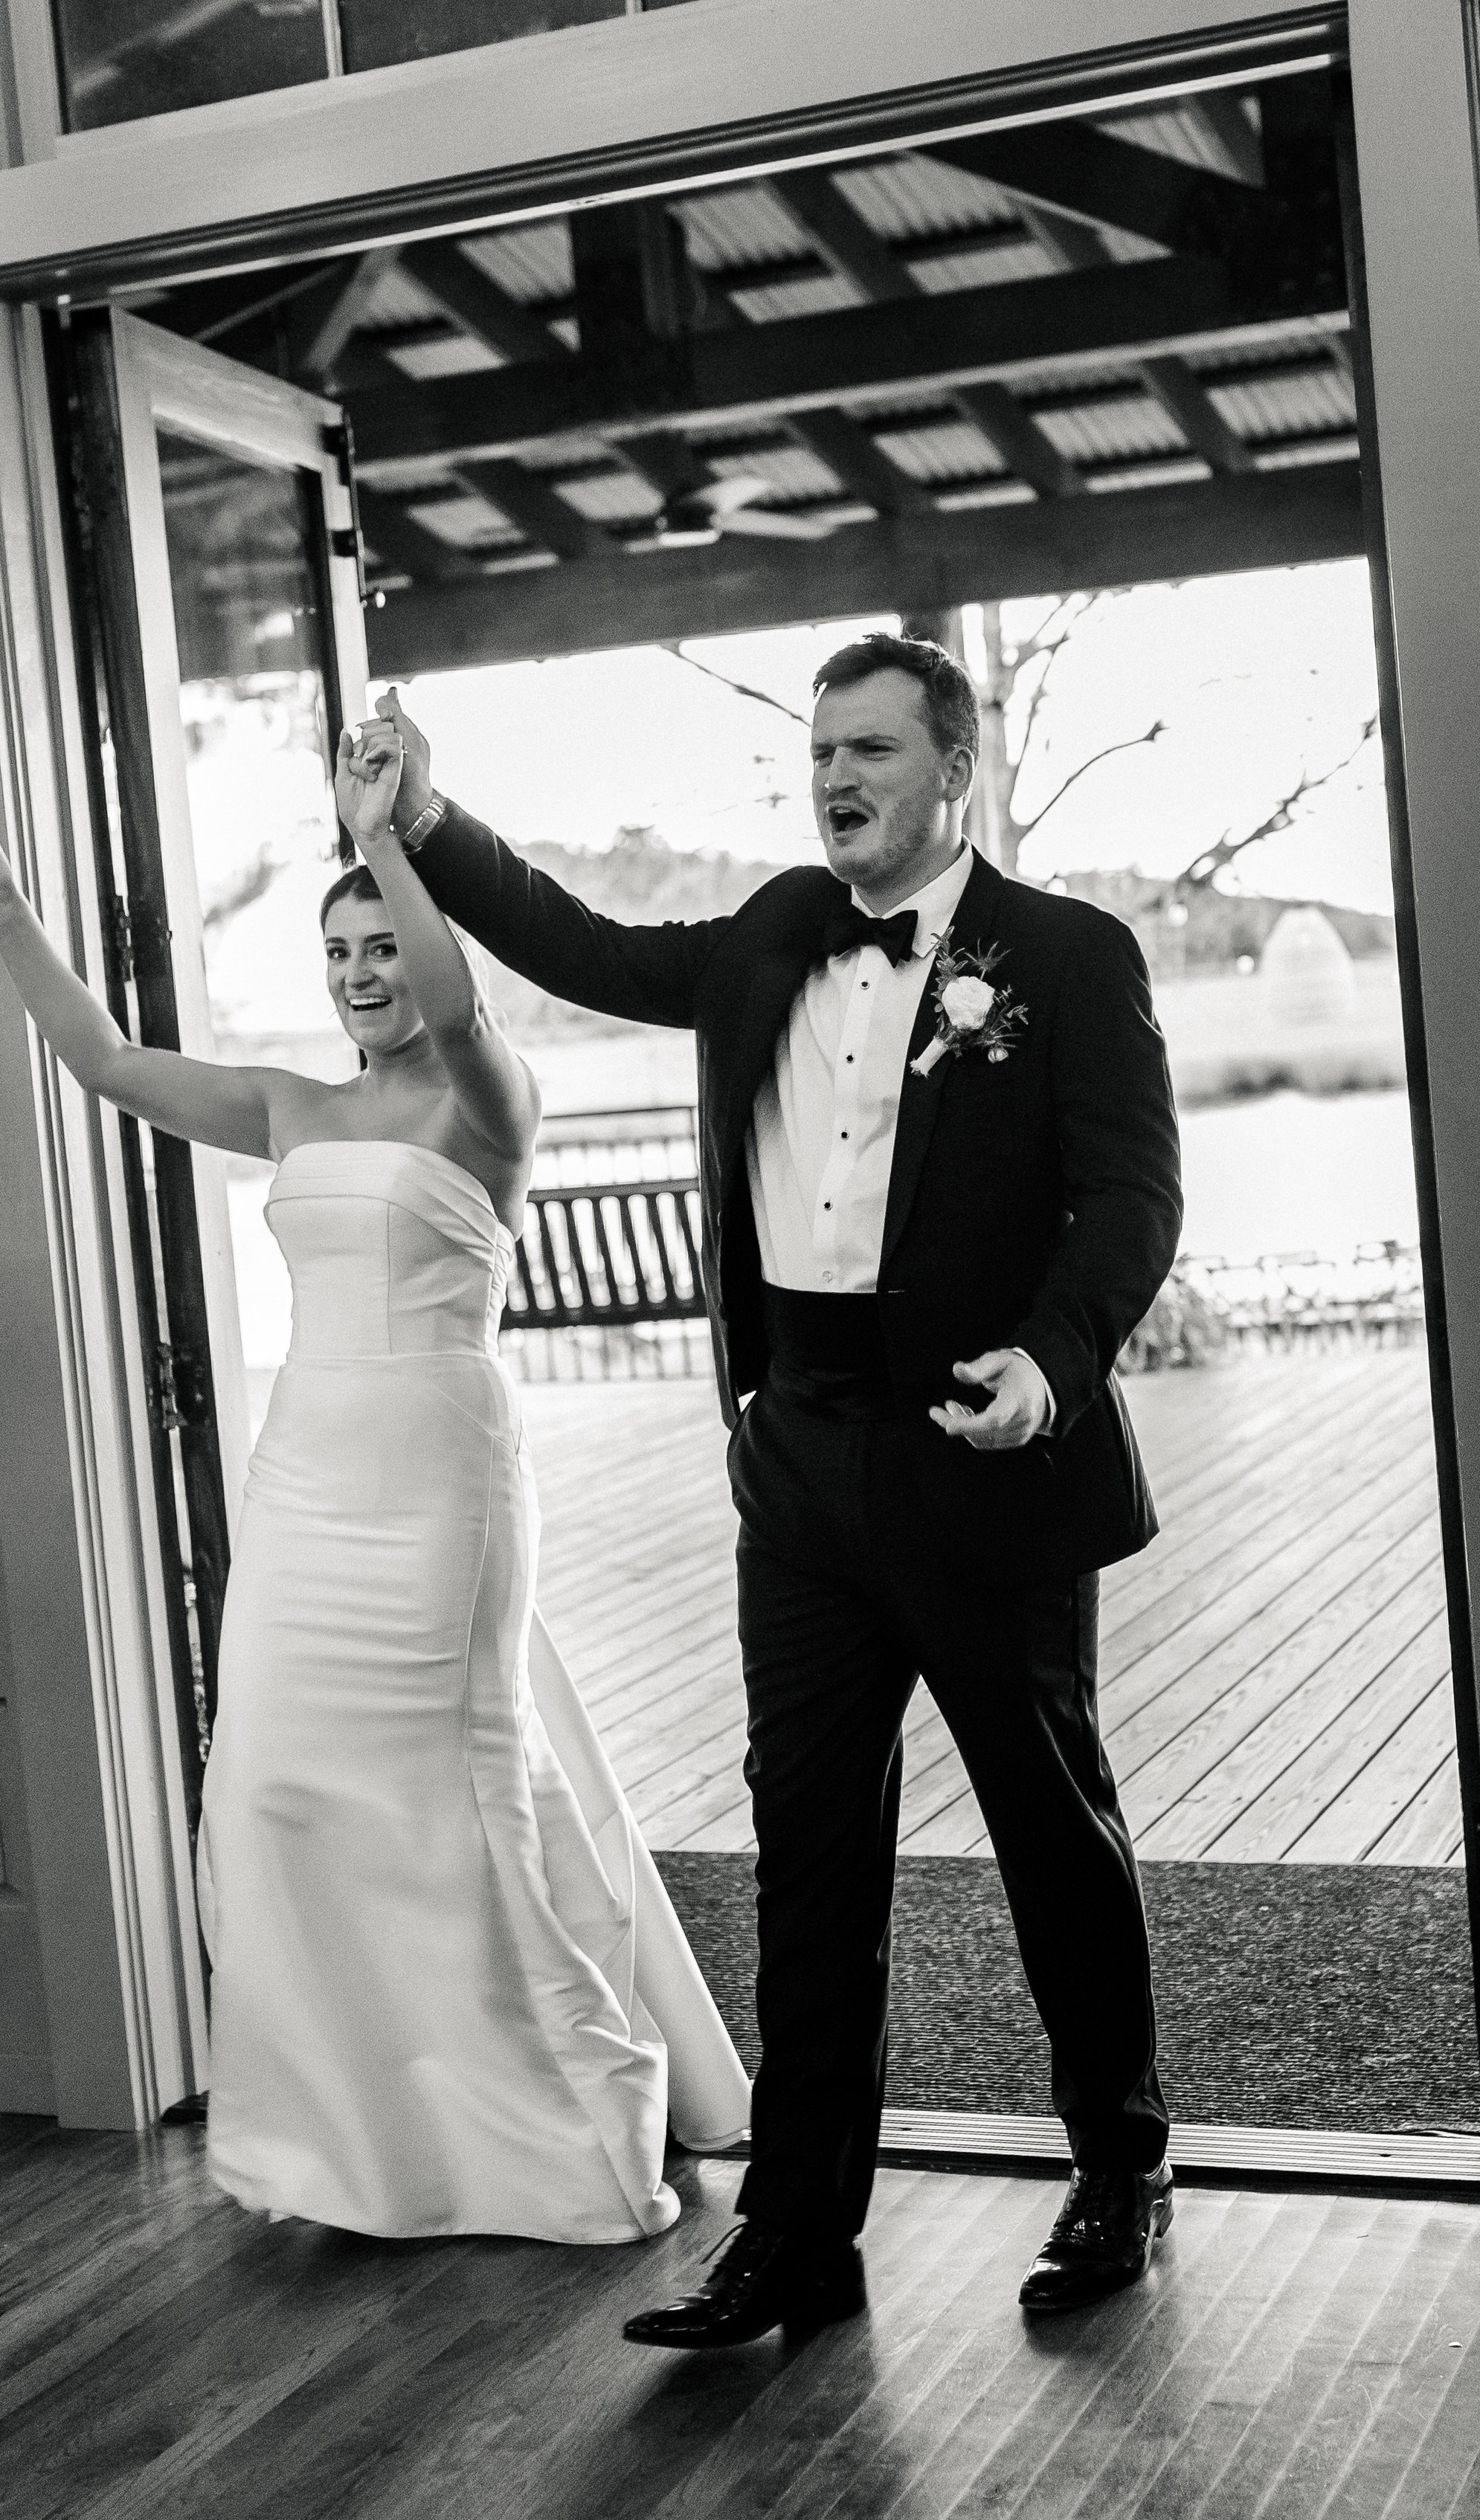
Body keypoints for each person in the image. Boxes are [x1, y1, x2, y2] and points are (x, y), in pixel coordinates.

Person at [355, 632, 1183, 2339]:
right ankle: (797, 2232)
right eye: (820, 752)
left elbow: (1129, 1198)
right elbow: (575, 942)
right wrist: (423, 817)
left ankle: (1120, 2162)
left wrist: (1048, 1360)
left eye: (872, 749)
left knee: (1048, 1831)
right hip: (796, 1465)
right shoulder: (765, 942)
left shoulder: (1066, 954)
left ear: (954, 771)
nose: (836, 778)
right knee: (809, 1857)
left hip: (981, 1454)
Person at [0, 728, 749, 2243]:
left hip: (440, 1478)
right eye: (341, 950)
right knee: (275, 1791)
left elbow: (462, 993)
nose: (366, 971)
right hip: (305, 1482)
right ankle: (349, 2141)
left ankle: (570, 2130)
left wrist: (389, 839)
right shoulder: (291, 1107)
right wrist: (4, 912)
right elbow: (107, 1065)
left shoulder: (487, 1101)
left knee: (452, 1804)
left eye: (381, 944)